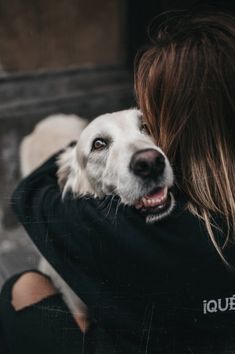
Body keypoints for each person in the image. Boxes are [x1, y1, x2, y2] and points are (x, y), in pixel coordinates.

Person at [0, 9, 235, 354]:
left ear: (182, 127)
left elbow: (31, 195)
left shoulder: (109, 228)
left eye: (152, 118)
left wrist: (81, 145)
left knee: (22, 287)